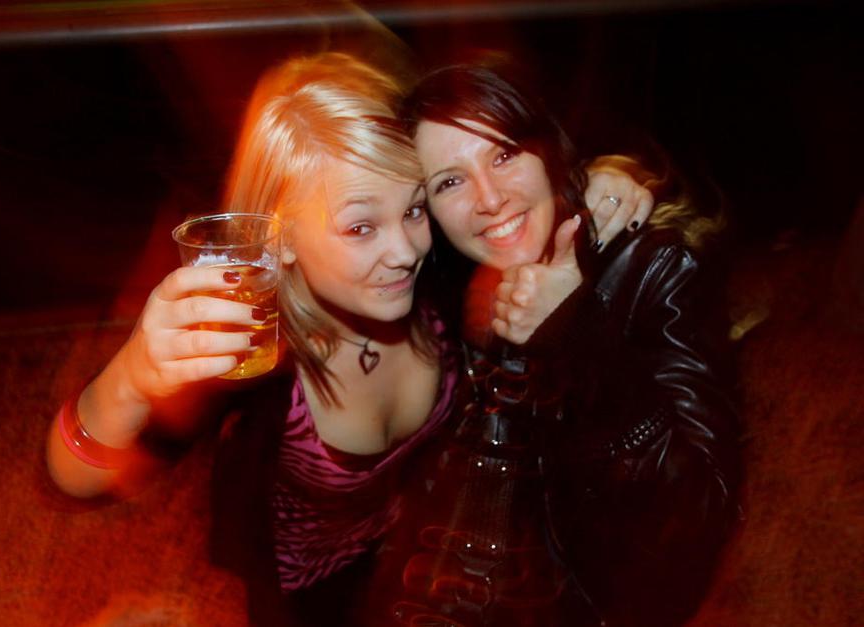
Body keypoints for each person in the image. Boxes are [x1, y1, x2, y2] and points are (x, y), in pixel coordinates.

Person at [45, 52, 652, 626]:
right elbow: (73, 480)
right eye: (361, 227)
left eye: (413, 209)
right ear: (280, 238)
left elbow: (510, 193)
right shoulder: (250, 347)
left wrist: (601, 180)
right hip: (312, 593)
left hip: (424, 550)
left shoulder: (438, 273)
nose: (406, 250)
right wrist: (130, 379)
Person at [395, 58, 742, 626]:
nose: (489, 198)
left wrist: (576, 333)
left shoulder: (654, 266)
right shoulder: (464, 292)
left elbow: (701, 509)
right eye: (450, 182)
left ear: (546, 147)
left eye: (504, 154)